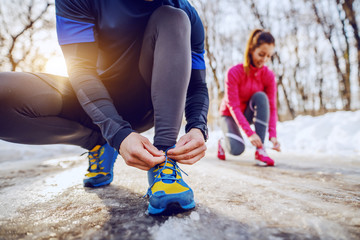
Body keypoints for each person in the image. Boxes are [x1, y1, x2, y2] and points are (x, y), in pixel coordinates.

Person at [0, 0, 209, 215]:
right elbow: (80, 69)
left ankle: (163, 160)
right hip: (90, 100)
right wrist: (116, 134)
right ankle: (98, 142)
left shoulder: (186, 12)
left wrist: (197, 126)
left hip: (147, 104)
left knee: (173, 17)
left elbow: (197, 85)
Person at [217, 29, 280, 166]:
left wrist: (273, 135)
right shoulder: (234, 72)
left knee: (261, 97)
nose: (264, 60)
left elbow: (272, 108)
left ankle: (260, 150)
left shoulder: (268, 76)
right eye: (261, 54)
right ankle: (223, 141)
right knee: (236, 149)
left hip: (248, 112)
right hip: (228, 114)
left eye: (269, 56)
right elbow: (233, 106)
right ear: (251, 50)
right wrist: (249, 133)